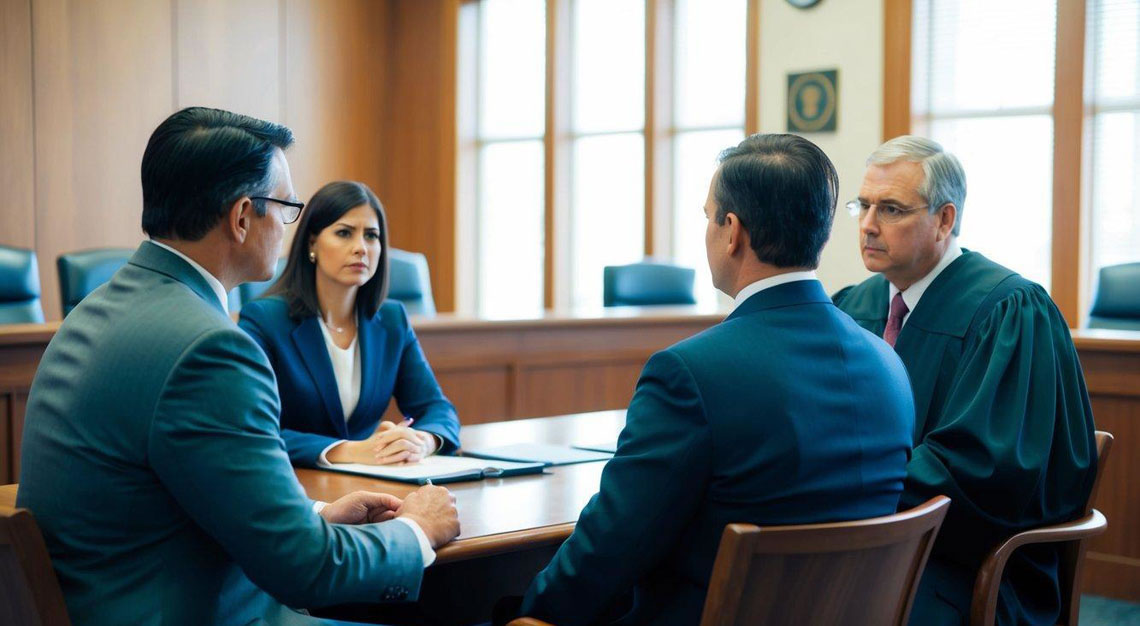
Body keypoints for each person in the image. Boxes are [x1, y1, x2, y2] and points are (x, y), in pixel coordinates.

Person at [16, 107, 460, 625]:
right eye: (287, 207)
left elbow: (170, 491)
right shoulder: (211, 348)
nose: (288, 225)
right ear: (243, 216)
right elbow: (305, 569)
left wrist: (312, 516)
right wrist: (417, 532)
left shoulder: (97, 309)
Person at [509, 134, 915, 626]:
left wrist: (526, 612)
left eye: (708, 216)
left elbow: (613, 545)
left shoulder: (689, 373)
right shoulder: (889, 365)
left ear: (732, 231)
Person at [832, 135, 1097, 626]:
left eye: (890, 209)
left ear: (945, 219)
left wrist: (847, 485)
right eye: (863, 205)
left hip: (967, 561)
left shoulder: (1010, 311)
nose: (868, 226)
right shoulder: (854, 305)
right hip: (868, 534)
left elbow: (984, 470)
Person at [238, 181, 459, 468]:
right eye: (344, 233)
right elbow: (252, 428)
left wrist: (422, 441)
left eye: (371, 235)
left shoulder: (392, 320)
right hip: (294, 486)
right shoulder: (265, 320)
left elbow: (437, 409)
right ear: (312, 242)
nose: (361, 248)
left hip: (374, 484)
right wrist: (350, 451)